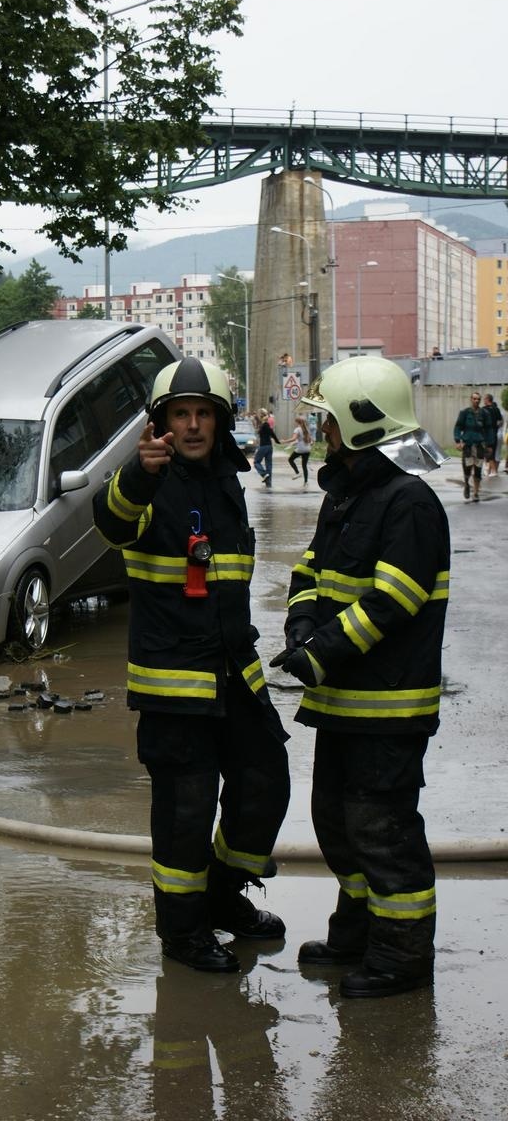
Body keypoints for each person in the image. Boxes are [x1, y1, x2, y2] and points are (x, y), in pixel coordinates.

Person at [93, 358, 290, 974]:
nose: (194, 425)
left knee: (265, 782)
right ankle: (183, 934)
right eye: (182, 414)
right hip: (174, 686)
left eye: (204, 413)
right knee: (186, 813)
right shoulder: (150, 482)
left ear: (221, 421)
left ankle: (223, 897)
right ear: (162, 424)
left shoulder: (228, 481)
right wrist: (136, 475)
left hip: (233, 672)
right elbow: (113, 520)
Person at [270, 356, 450, 999]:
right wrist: (299, 628)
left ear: (362, 421)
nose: (322, 431)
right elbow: (310, 575)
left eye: (329, 420)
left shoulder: (409, 502)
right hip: (345, 702)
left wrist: (321, 652)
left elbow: (392, 601)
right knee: (337, 824)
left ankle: (402, 958)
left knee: (384, 834)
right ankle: (357, 933)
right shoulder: (348, 493)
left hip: (388, 707)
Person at [453, 390, 488, 501]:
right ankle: (467, 484)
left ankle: (476, 493)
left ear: (480, 400)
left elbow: (489, 430)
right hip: (467, 445)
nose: (476, 401)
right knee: (467, 468)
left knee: (478, 469)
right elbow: (458, 427)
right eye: (474, 398)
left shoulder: (484, 414)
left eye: (478, 399)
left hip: (479, 446)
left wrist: (490, 445)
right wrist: (458, 441)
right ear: (471, 399)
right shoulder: (464, 413)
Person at [253, 407, 280, 488]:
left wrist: (277, 440)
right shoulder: (265, 424)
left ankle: (264, 474)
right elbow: (272, 433)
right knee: (269, 464)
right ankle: (268, 483)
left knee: (256, 462)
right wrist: (277, 441)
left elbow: (271, 433)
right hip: (269, 447)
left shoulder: (264, 425)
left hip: (263, 446)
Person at [286, 415, 312, 486]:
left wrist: (285, 441)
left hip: (300, 449)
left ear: (297, 422)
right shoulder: (307, 429)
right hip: (307, 449)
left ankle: (297, 472)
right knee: (304, 465)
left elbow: (294, 438)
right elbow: (310, 440)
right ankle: (306, 482)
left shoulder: (297, 429)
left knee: (290, 459)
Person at [482, 393, 502, 477]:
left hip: (487, 434)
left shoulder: (484, 410)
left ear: (487, 400)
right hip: (494, 433)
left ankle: (493, 471)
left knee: (488, 453)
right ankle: (489, 470)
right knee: (492, 452)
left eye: (484, 399)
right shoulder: (496, 409)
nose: (483, 401)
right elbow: (500, 421)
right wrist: (496, 427)